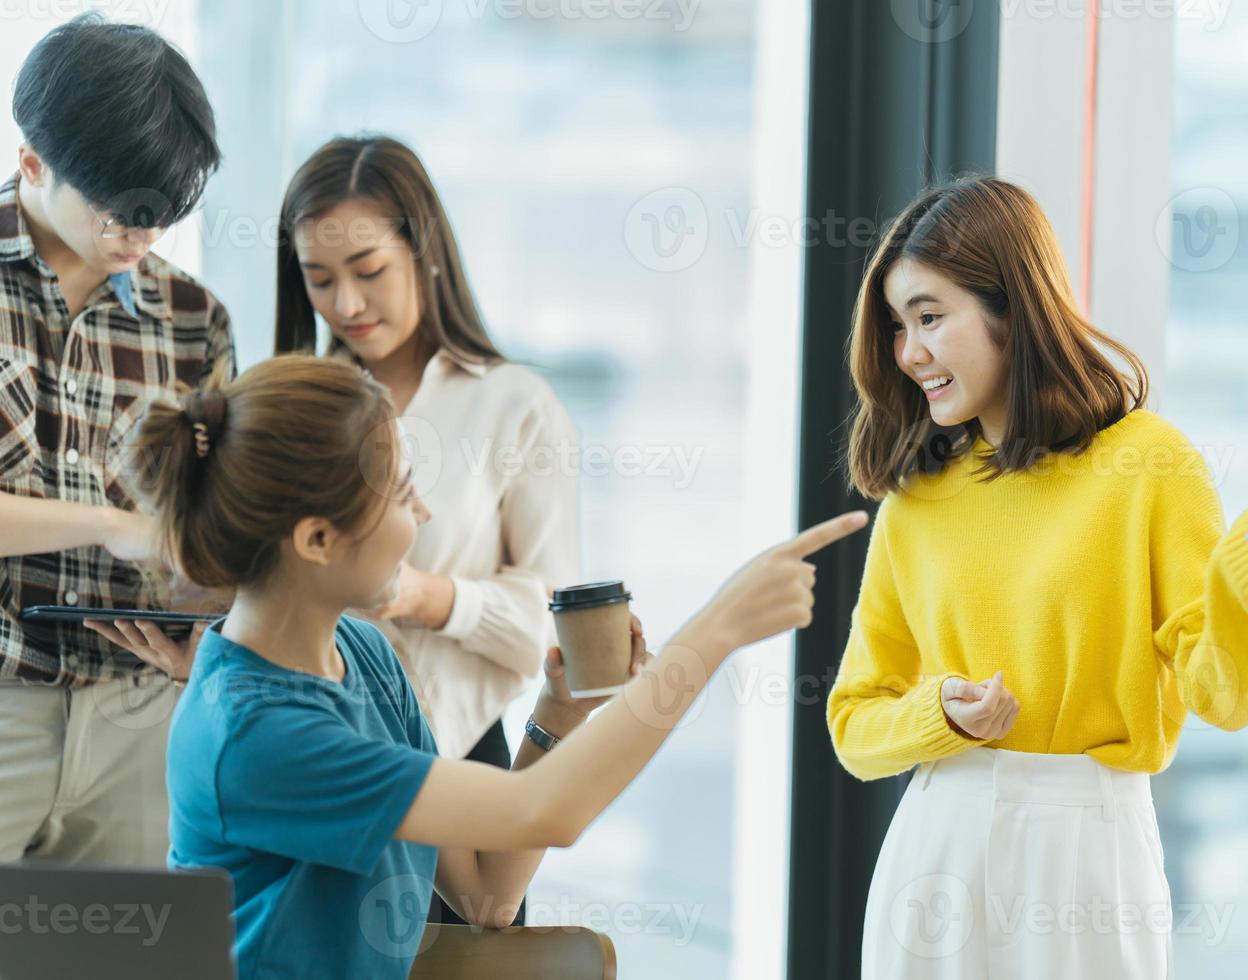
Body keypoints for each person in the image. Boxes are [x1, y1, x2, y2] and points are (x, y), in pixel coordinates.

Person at [126, 352, 864, 979]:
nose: (423, 515)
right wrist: (717, 630)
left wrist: (558, 715)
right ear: (317, 538)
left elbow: (485, 895)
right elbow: (546, 812)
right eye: (400, 492)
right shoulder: (256, 734)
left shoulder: (363, 653)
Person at [826, 176, 1248, 979]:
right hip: (936, 844)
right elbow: (853, 724)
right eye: (896, 325)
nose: (908, 352)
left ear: (1011, 311)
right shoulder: (916, 502)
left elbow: (1224, 696)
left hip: (1088, 851)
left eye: (929, 317)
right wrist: (939, 712)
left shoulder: (1147, 465)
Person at [273, 134, 579, 926]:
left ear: (426, 252)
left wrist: (419, 595)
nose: (345, 304)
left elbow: (552, 639)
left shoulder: (514, 404)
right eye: (319, 279)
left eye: (369, 271)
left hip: (457, 765)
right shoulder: (292, 410)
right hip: (312, 753)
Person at [0, 13, 231, 867]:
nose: (141, 243)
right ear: (33, 163)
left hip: (142, 712)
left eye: (160, 219)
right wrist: (109, 524)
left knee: (132, 960)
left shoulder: (194, 321)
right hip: (5, 690)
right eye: (120, 219)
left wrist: (202, 598)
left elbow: (215, 522)